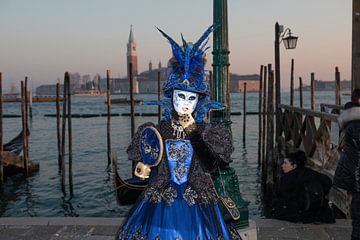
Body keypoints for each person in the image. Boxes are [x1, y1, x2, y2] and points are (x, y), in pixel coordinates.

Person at [115, 25, 241, 240]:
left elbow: (211, 166)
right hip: (160, 201)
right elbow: (146, 165)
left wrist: (193, 132)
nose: (185, 104)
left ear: (198, 101)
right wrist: (142, 166)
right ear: (171, 96)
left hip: (198, 202)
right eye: (180, 97)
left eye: (191, 98)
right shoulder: (157, 130)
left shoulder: (208, 132)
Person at [271, 150, 335, 224]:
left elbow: (277, 195)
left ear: (294, 166)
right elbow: (328, 182)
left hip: (298, 215)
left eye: (285, 163)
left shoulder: (285, 179)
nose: (282, 166)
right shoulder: (310, 173)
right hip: (316, 214)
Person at [334, 88, 360, 240]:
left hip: (353, 172)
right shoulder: (357, 122)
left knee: (357, 214)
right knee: (358, 216)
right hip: (357, 173)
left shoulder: (350, 118)